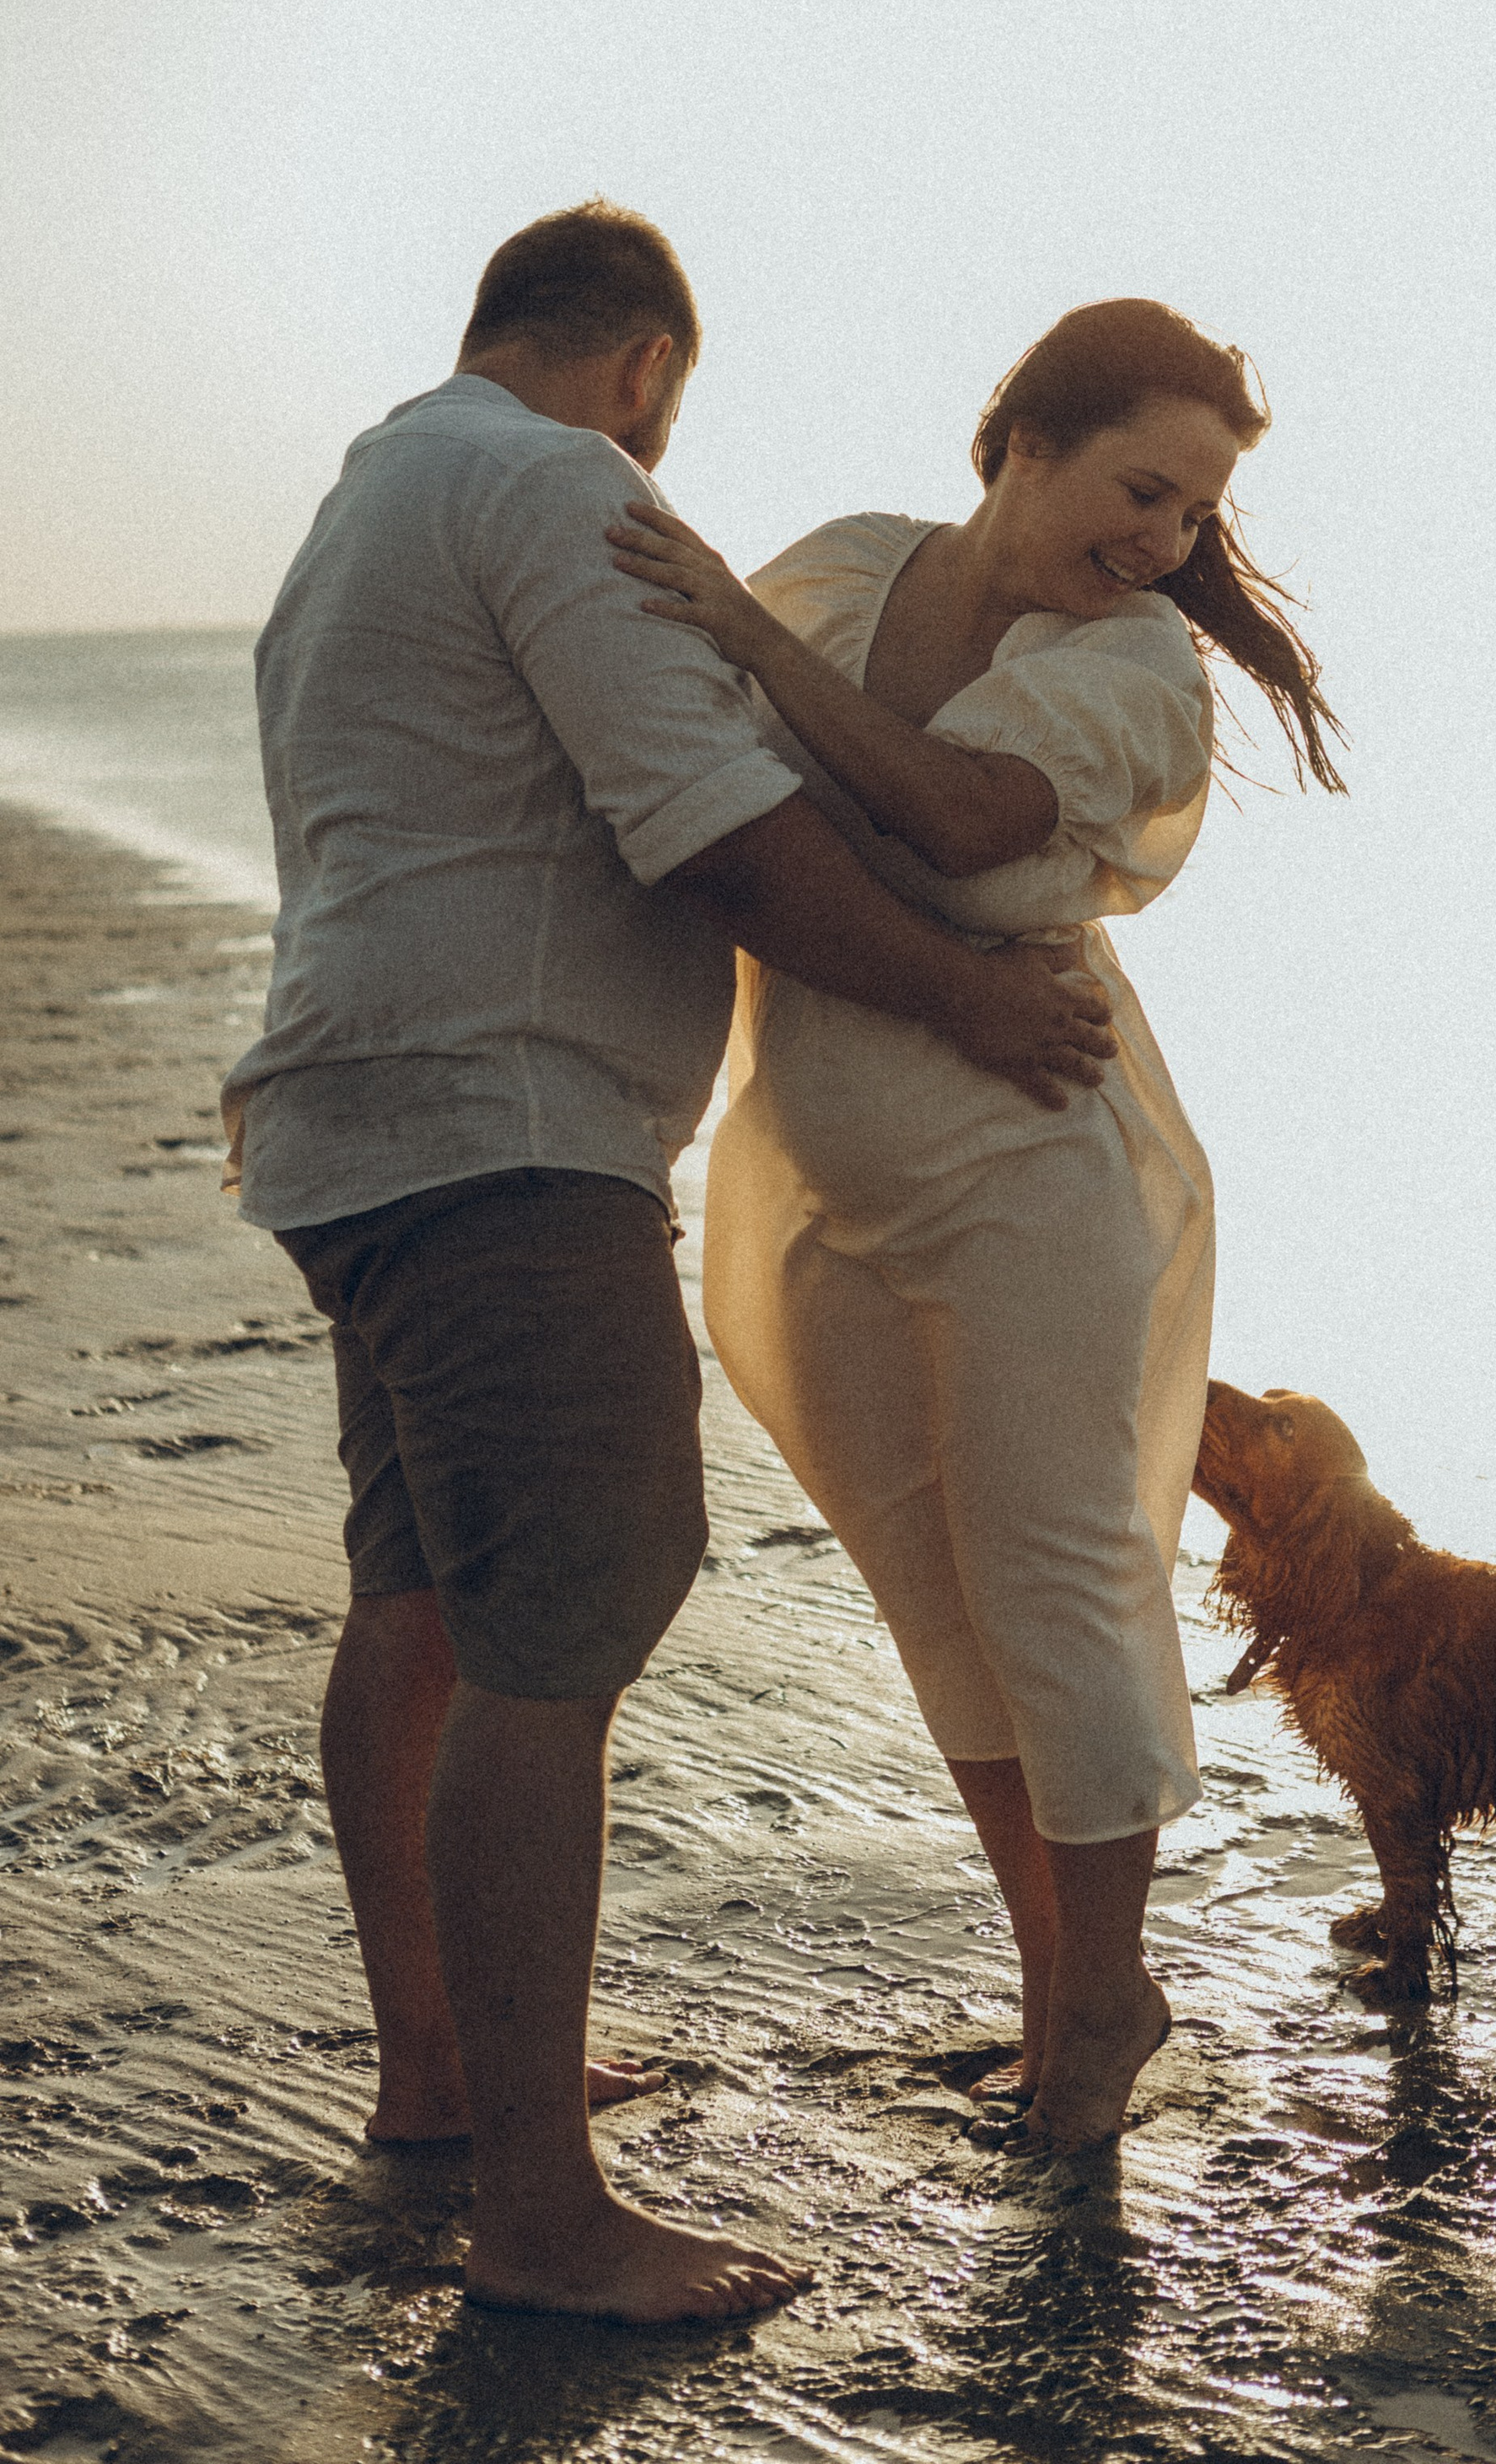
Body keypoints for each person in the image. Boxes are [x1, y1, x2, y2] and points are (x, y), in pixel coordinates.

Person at [223, 202, 1116, 2325]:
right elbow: (709, 823)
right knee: (565, 1621)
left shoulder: (364, 502)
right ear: (644, 369)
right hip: (512, 1138)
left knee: (420, 1602)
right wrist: (968, 999)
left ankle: (443, 2074)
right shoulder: (555, 486)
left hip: (360, 1123)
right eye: (666, 421)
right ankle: (540, 2215)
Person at [606, 296, 1344, 2153]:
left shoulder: (1133, 666)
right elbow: (695, 774)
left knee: (1060, 1578)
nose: (1164, 542)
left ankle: (1108, 1998)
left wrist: (744, 637)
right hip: (819, 1168)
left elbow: (949, 814)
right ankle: (1062, 1985)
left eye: (1194, 514)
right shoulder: (849, 571)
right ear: (1022, 438)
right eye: (1142, 489)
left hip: (1035, 1166)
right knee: (936, 1600)